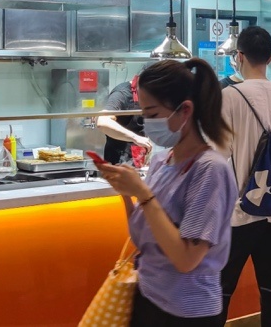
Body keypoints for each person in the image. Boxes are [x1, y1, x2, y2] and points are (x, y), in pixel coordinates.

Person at [95, 58, 236, 326]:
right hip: (149, 294)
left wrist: (143, 194)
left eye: (153, 114)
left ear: (185, 110)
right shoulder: (162, 161)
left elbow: (186, 259)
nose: (146, 124)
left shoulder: (210, 170)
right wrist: (126, 192)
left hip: (187, 310)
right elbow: (144, 235)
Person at [219, 26, 271, 327]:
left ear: (238, 56)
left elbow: (216, 159)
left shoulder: (228, 97)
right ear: (269, 58)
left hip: (235, 214)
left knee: (220, 291)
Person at [96, 72, 153, 165]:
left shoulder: (149, 95)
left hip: (139, 159)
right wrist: (136, 138)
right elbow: (102, 122)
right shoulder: (122, 94)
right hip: (119, 162)